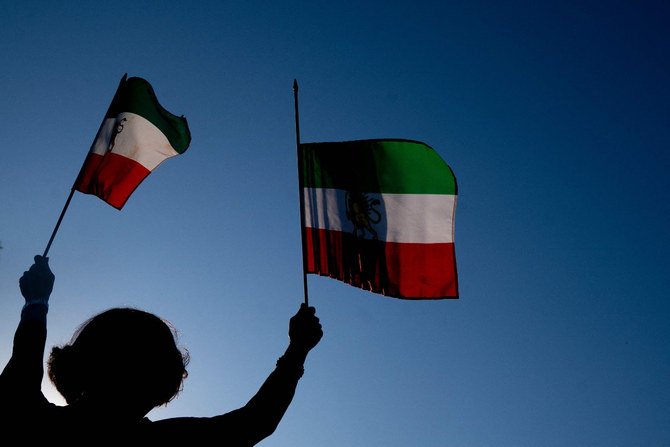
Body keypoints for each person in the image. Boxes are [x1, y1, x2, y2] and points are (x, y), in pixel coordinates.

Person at [0, 255, 323, 443]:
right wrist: (297, 350)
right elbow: (256, 421)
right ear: (165, 380)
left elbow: (22, 371)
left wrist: (37, 302)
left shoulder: (37, 423)